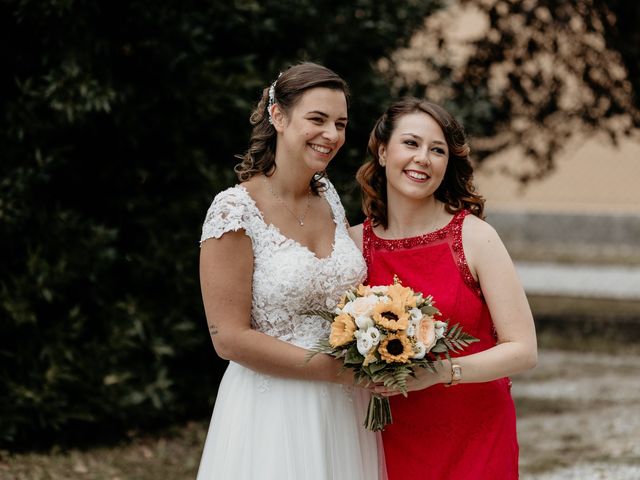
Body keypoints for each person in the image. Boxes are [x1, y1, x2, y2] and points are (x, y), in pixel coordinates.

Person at [197, 63, 383, 479]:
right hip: (273, 408)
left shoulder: (329, 196)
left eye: (340, 123)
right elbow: (228, 338)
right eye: (317, 119)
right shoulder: (234, 210)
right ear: (278, 116)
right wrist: (339, 370)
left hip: (343, 410)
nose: (332, 135)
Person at [350, 98, 538, 479]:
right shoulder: (353, 245)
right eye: (411, 144)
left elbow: (523, 350)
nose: (423, 158)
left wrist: (439, 372)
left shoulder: (475, 237)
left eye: (437, 150)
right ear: (383, 152)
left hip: (476, 434)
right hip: (388, 436)